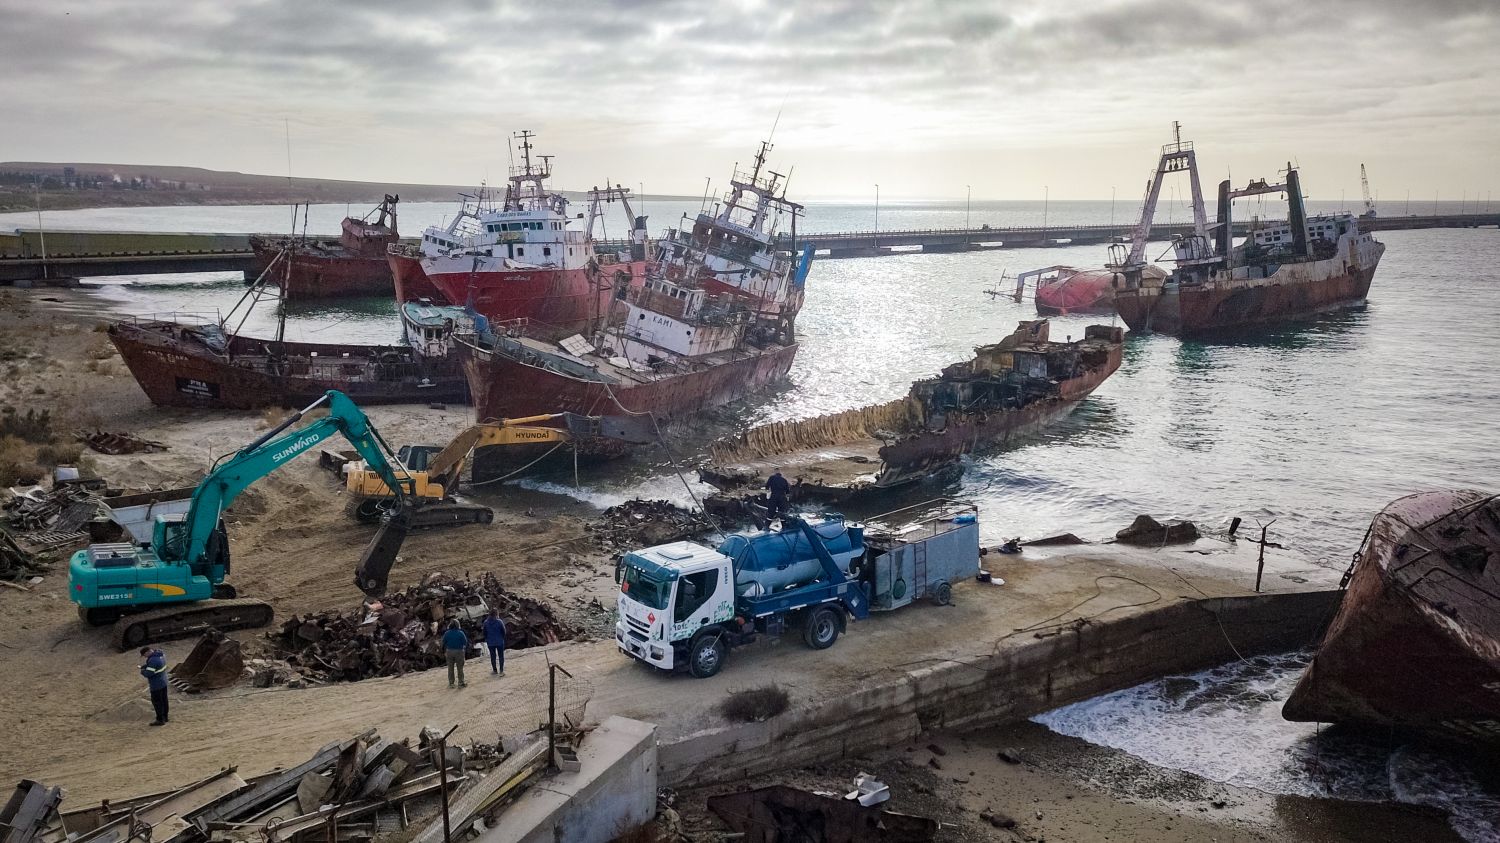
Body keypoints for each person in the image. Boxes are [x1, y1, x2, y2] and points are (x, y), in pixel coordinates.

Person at [139, 646, 169, 725]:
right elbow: (157, 667)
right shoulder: (161, 655)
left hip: (156, 684)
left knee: (157, 702)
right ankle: (165, 717)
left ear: (147, 652)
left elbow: (149, 673)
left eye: (144, 655)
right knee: (164, 700)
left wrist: (142, 671)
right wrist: (147, 666)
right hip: (164, 681)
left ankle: (160, 720)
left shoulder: (153, 660)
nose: (145, 657)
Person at [442, 620, 468, 688]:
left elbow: (443, 642)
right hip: (459, 651)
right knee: (460, 668)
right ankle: (461, 682)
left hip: (449, 651)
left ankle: (451, 683)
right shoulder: (460, 633)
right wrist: (463, 648)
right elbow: (465, 642)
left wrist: (444, 651)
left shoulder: (447, 633)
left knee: (450, 668)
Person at [483, 609, 507, 676]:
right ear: (496, 614)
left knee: (493, 656)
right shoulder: (499, 622)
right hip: (499, 641)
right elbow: (504, 631)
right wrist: (502, 637)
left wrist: (487, 639)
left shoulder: (486, 622)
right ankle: (501, 671)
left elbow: (484, 633)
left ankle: (494, 670)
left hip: (490, 642)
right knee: (501, 656)